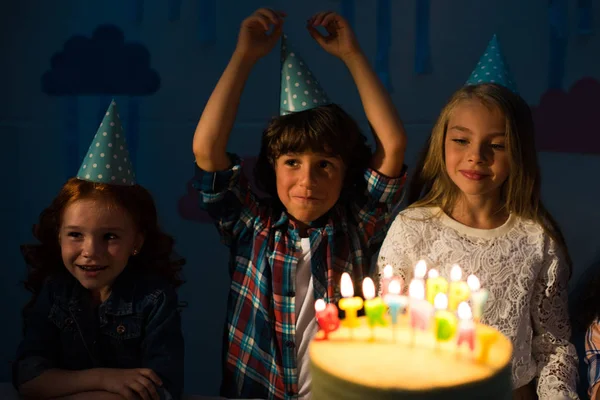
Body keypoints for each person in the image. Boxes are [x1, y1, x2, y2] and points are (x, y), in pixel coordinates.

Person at [192, 8, 407, 399]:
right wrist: (244, 57)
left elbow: (392, 146)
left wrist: (352, 55)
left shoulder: (357, 225)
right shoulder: (251, 227)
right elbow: (206, 151)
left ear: (347, 172)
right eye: (292, 163)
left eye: (325, 165)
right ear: (272, 167)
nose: (307, 181)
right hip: (255, 390)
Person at [377, 35, 578, 399]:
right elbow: (388, 332)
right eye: (462, 140)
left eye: (496, 145)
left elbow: (553, 346)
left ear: (518, 153)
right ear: (442, 141)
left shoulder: (537, 240)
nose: (476, 156)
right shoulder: (412, 229)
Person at [13, 101, 185, 400]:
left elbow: (161, 389)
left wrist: (62, 388)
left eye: (109, 236)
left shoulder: (153, 299)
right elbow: (28, 378)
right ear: (58, 237)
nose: (90, 251)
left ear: (137, 242)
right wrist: (105, 379)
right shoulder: (55, 291)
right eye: (76, 235)